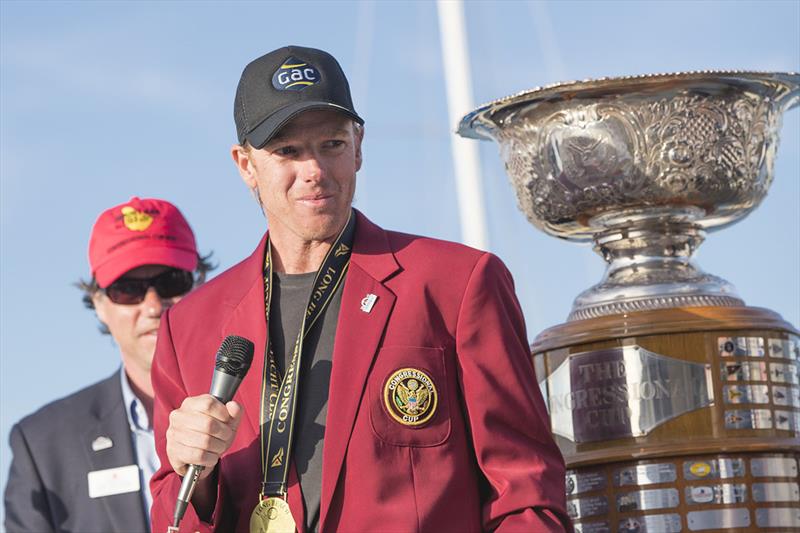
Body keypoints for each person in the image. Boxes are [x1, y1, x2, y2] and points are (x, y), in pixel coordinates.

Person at [150, 46, 570, 533]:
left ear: (359, 146)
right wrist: (194, 474)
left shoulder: (456, 283)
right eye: (287, 151)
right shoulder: (187, 326)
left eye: (331, 144)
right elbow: (170, 520)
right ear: (246, 165)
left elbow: (525, 492)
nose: (314, 170)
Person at [4, 197, 213, 533]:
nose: (153, 305)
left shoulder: (262, 408)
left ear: (200, 284)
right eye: (128, 290)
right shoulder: (43, 443)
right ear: (98, 303)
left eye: (171, 281)